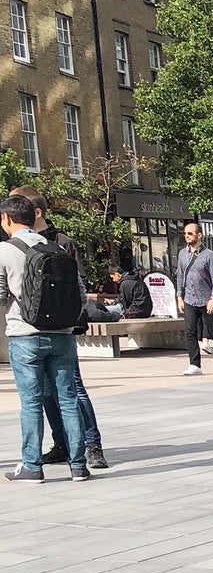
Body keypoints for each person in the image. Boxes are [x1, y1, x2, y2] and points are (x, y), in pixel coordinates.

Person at [12, 184, 108, 471]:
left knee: (72, 389)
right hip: (33, 329)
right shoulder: (16, 243)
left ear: (36, 211)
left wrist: (77, 321)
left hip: (61, 328)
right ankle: (62, 443)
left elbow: (76, 286)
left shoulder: (62, 242)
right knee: (43, 392)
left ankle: (92, 444)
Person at [1, 193, 88, 483]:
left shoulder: (5, 250)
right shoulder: (57, 247)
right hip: (62, 335)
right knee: (68, 399)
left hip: (25, 335)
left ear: (7, 219)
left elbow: (1, 295)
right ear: (34, 216)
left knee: (31, 402)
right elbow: (79, 293)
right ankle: (78, 465)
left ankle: (32, 466)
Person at [176, 219, 213, 375]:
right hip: (189, 298)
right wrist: (179, 296)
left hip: (206, 298)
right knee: (190, 331)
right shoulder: (182, 254)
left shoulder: (208, 255)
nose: (186, 236)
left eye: (190, 233)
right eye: (185, 233)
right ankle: (195, 364)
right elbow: (180, 276)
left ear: (199, 235)